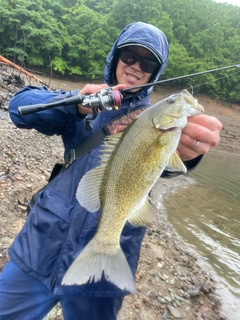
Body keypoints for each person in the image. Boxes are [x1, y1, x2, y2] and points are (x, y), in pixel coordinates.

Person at [0, 22, 222, 320]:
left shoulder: (154, 121)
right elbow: (19, 108)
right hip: (40, 248)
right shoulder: (86, 102)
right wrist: (77, 106)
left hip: (100, 278)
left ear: (155, 72)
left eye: (148, 62)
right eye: (129, 55)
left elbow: (168, 166)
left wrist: (190, 154)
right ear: (115, 57)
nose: (135, 66)